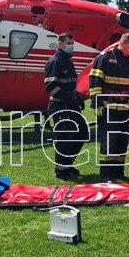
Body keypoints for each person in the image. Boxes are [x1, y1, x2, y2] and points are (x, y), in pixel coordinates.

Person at [89, 33, 129, 182]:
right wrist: (97, 102)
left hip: (124, 109)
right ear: (122, 43)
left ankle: (118, 172)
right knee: (109, 141)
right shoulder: (105, 58)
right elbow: (94, 80)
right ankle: (106, 174)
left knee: (121, 141)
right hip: (107, 107)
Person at [44, 33, 89, 180]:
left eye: (72, 42)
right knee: (64, 137)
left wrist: (76, 97)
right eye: (69, 43)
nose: (71, 45)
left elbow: (70, 84)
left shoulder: (68, 61)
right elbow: (50, 87)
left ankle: (67, 164)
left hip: (69, 104)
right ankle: (61, 170)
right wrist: (69, 97)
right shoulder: (55, 61)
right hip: (59, 105)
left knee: (82, 132)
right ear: (60, 44)